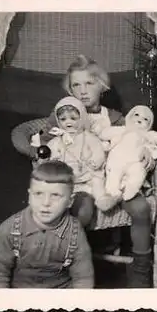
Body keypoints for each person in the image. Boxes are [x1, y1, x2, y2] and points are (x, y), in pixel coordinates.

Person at [11, 55, 156, 287]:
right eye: (76, 85)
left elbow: (137, 137)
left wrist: (147, 151)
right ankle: (74, 267)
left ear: (102, 85)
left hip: (116, 180)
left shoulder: (115, 118)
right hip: (82, 182)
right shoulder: (64, 115)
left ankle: (141, 272)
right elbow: (40, 142)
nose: (82, 91)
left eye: (89, 83)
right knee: (83, 209)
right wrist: (37, 154)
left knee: (140, 208)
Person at [0, 160, 95, 288]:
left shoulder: (74, 231)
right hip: (21, 296)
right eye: (38, 194)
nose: (46, 203)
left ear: (70, 202)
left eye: (55, 195)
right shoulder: (9, 228)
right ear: (29, 196)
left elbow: (83, 278)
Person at [45, 96, 118, 224]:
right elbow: (48, 154)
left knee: (97, 183)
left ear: (82, 118)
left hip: (87, 178)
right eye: (63, 119)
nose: (68, 122)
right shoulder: (57, 141)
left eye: (73, 118)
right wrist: (52, 159)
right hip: (68, 181)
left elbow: (98, 150)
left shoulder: (88, 137)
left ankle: (101, 199)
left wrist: (96, 160)